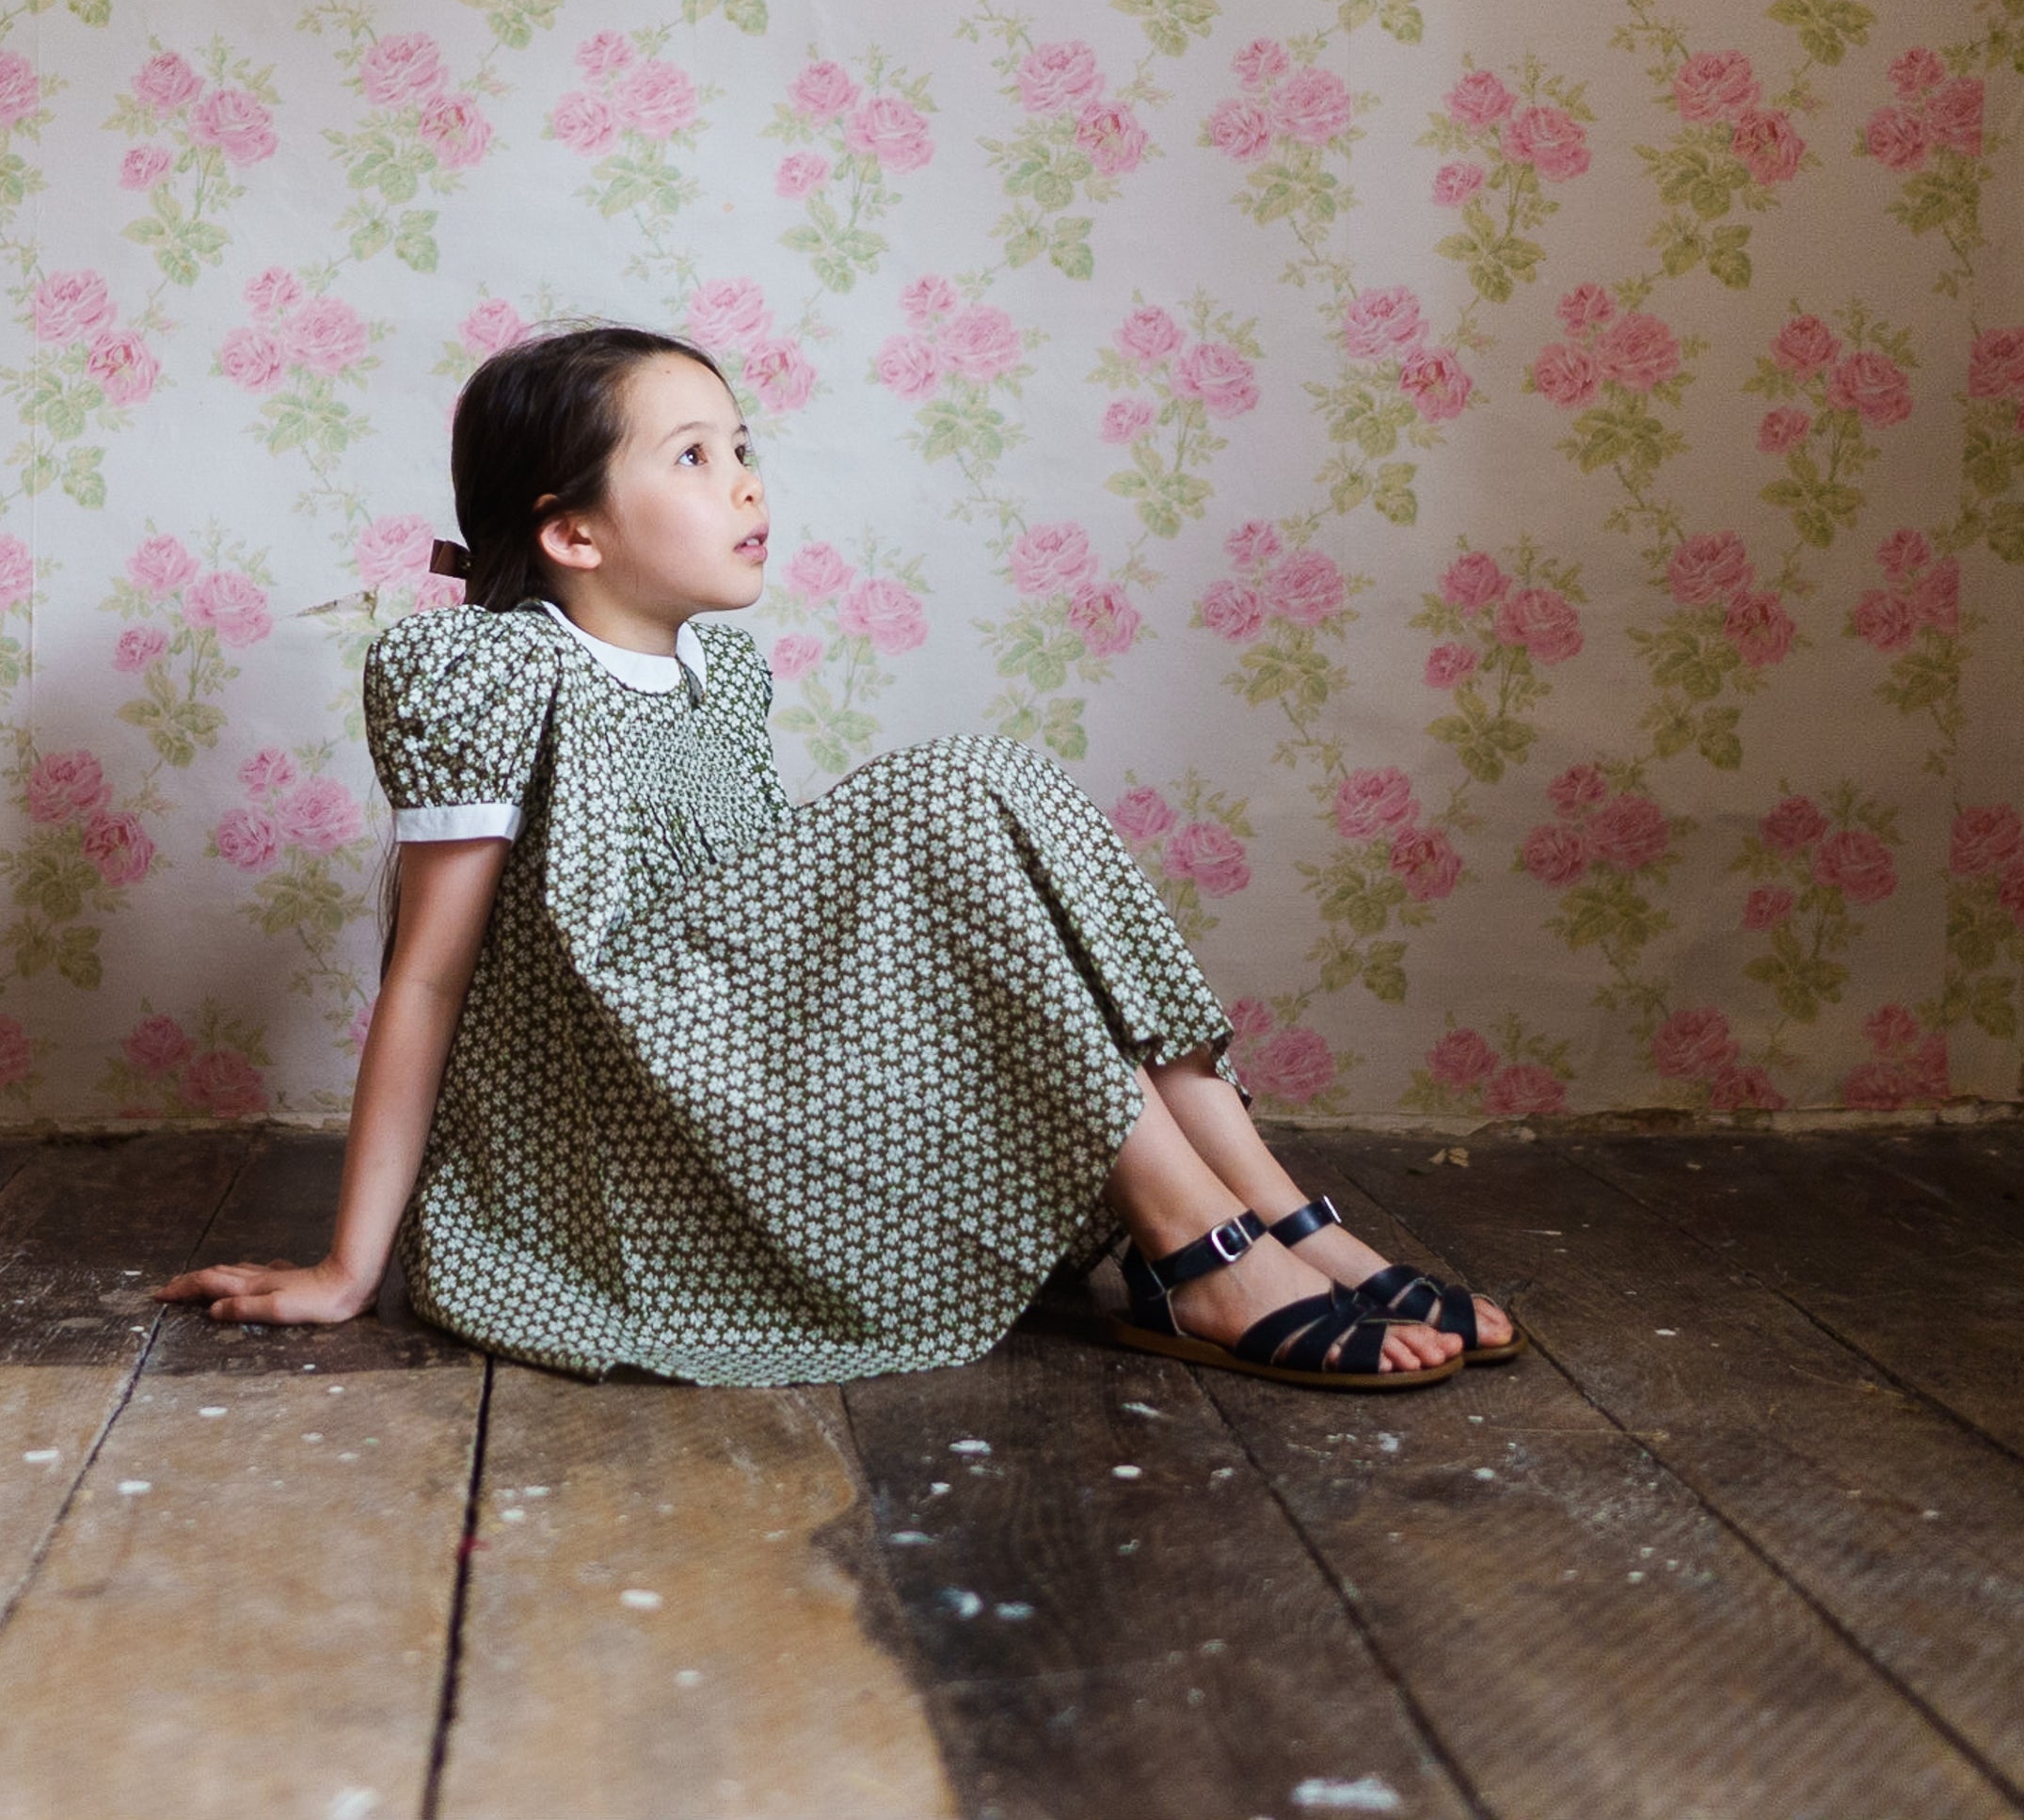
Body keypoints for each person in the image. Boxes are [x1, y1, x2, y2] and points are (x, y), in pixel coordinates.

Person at [151, 324, 1513, 1388]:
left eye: (741, 446)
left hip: (745, 1047)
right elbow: (431, 977)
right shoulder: (491, 671)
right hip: (622, 1097)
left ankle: (1275, 1217)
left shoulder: (723, 677)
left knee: (1003, 787)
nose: (746, 481)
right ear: (572, 532)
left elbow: (774, 922)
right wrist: (350, 1265)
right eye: (691, 458)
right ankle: (1198, 1249)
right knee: (953, 787)